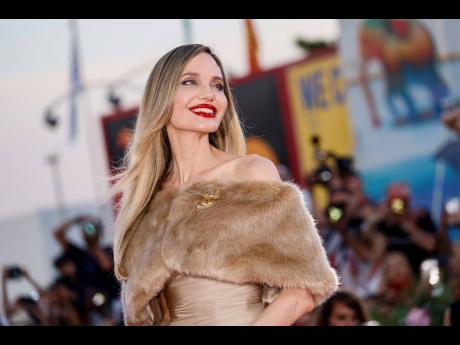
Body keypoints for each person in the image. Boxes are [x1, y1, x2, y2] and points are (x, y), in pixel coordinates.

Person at [110, 44, 339, 326]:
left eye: (218, 86)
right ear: (162, 96)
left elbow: (302, 291)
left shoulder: (250, 174)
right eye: (190, 81)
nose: (209, 94)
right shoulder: (145, 202)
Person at [53, 215, 120, 321]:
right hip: (89, 308)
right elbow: (57, 234)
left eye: (93, 229)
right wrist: (77, 220)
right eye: (86, 231)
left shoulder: (108, 250)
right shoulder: (79, 255)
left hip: (112, 303)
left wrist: (94, 244)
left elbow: (107, 267)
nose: (89, 232)